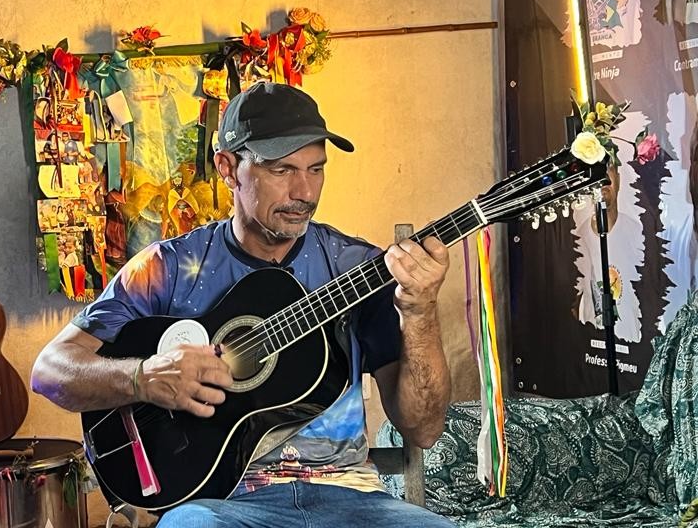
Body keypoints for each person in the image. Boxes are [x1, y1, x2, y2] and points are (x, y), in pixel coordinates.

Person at [31, 82, 454, 527]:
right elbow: (49, 372)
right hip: (222, 504)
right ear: (228, 169)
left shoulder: (359, 269)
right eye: (282, 170)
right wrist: (142, 377)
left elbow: (423, 429)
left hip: (349, 496)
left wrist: (421, 311)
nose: (305, 192)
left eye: (316, 169)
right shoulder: (167, 268)